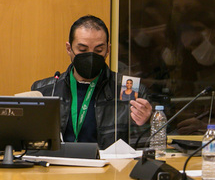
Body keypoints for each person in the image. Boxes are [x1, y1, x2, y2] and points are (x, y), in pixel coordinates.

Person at [31, 15, 152, 148]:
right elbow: (32, 146)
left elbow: (142, 149)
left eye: (98, 50)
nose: (91, 56)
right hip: (59, 167)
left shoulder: (130, 88)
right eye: (82, 50)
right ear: (69, 48)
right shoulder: (44, 91)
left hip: (109, 167)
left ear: (108, 50)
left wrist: (146, 124)